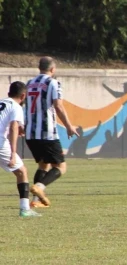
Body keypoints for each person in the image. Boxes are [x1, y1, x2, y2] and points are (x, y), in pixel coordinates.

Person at [25, 56, 79, 207]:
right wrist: (69, 126)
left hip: (30, 133)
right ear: (53, 69)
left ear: (39, 68)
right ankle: (39, 187)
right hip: (47, 133)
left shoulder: (29, 83)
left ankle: (35, 202)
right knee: (61, 167)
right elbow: (58, 106)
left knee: (43, 165)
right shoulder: (53, 83)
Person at [0, 81, 41, 217]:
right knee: (22, 171)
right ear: (23, 96)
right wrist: (12, 153)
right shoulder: (16, 107)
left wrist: (20, 128)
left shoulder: (3, 102)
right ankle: (25, 209)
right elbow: (13, 127)